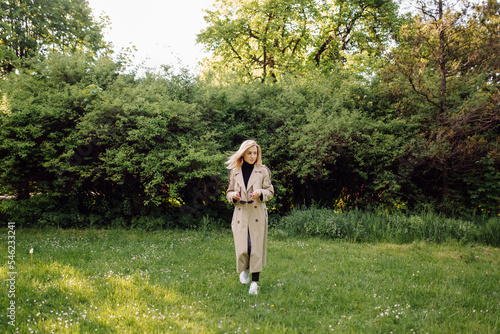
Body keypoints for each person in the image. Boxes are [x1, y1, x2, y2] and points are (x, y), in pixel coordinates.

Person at [225, 140, 274, 295]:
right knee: (242, 248)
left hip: (257, 214)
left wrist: (261, 193)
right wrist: (232, 195)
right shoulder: (234, 172)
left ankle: (255, 282)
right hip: (240, 213)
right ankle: (245, 269)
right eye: (249, 153)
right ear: (243, 154)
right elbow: (228, 192)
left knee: (255, 248)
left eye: (255, 153)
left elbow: (270, 191)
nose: (253, 156)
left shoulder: (263, 171)